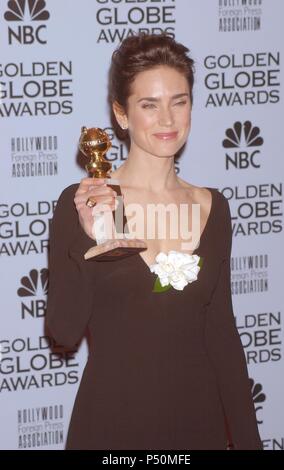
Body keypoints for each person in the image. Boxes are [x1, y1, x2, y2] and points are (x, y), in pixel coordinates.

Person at [46, 33, 263, 450]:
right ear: (121, 115)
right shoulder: (92, 202)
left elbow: (222, 337)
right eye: (149, 105)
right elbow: (64, 329)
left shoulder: (211, 207)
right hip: (112, 424)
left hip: (199, 427)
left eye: (179, 101)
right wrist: (88, 242)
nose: (168, 119)